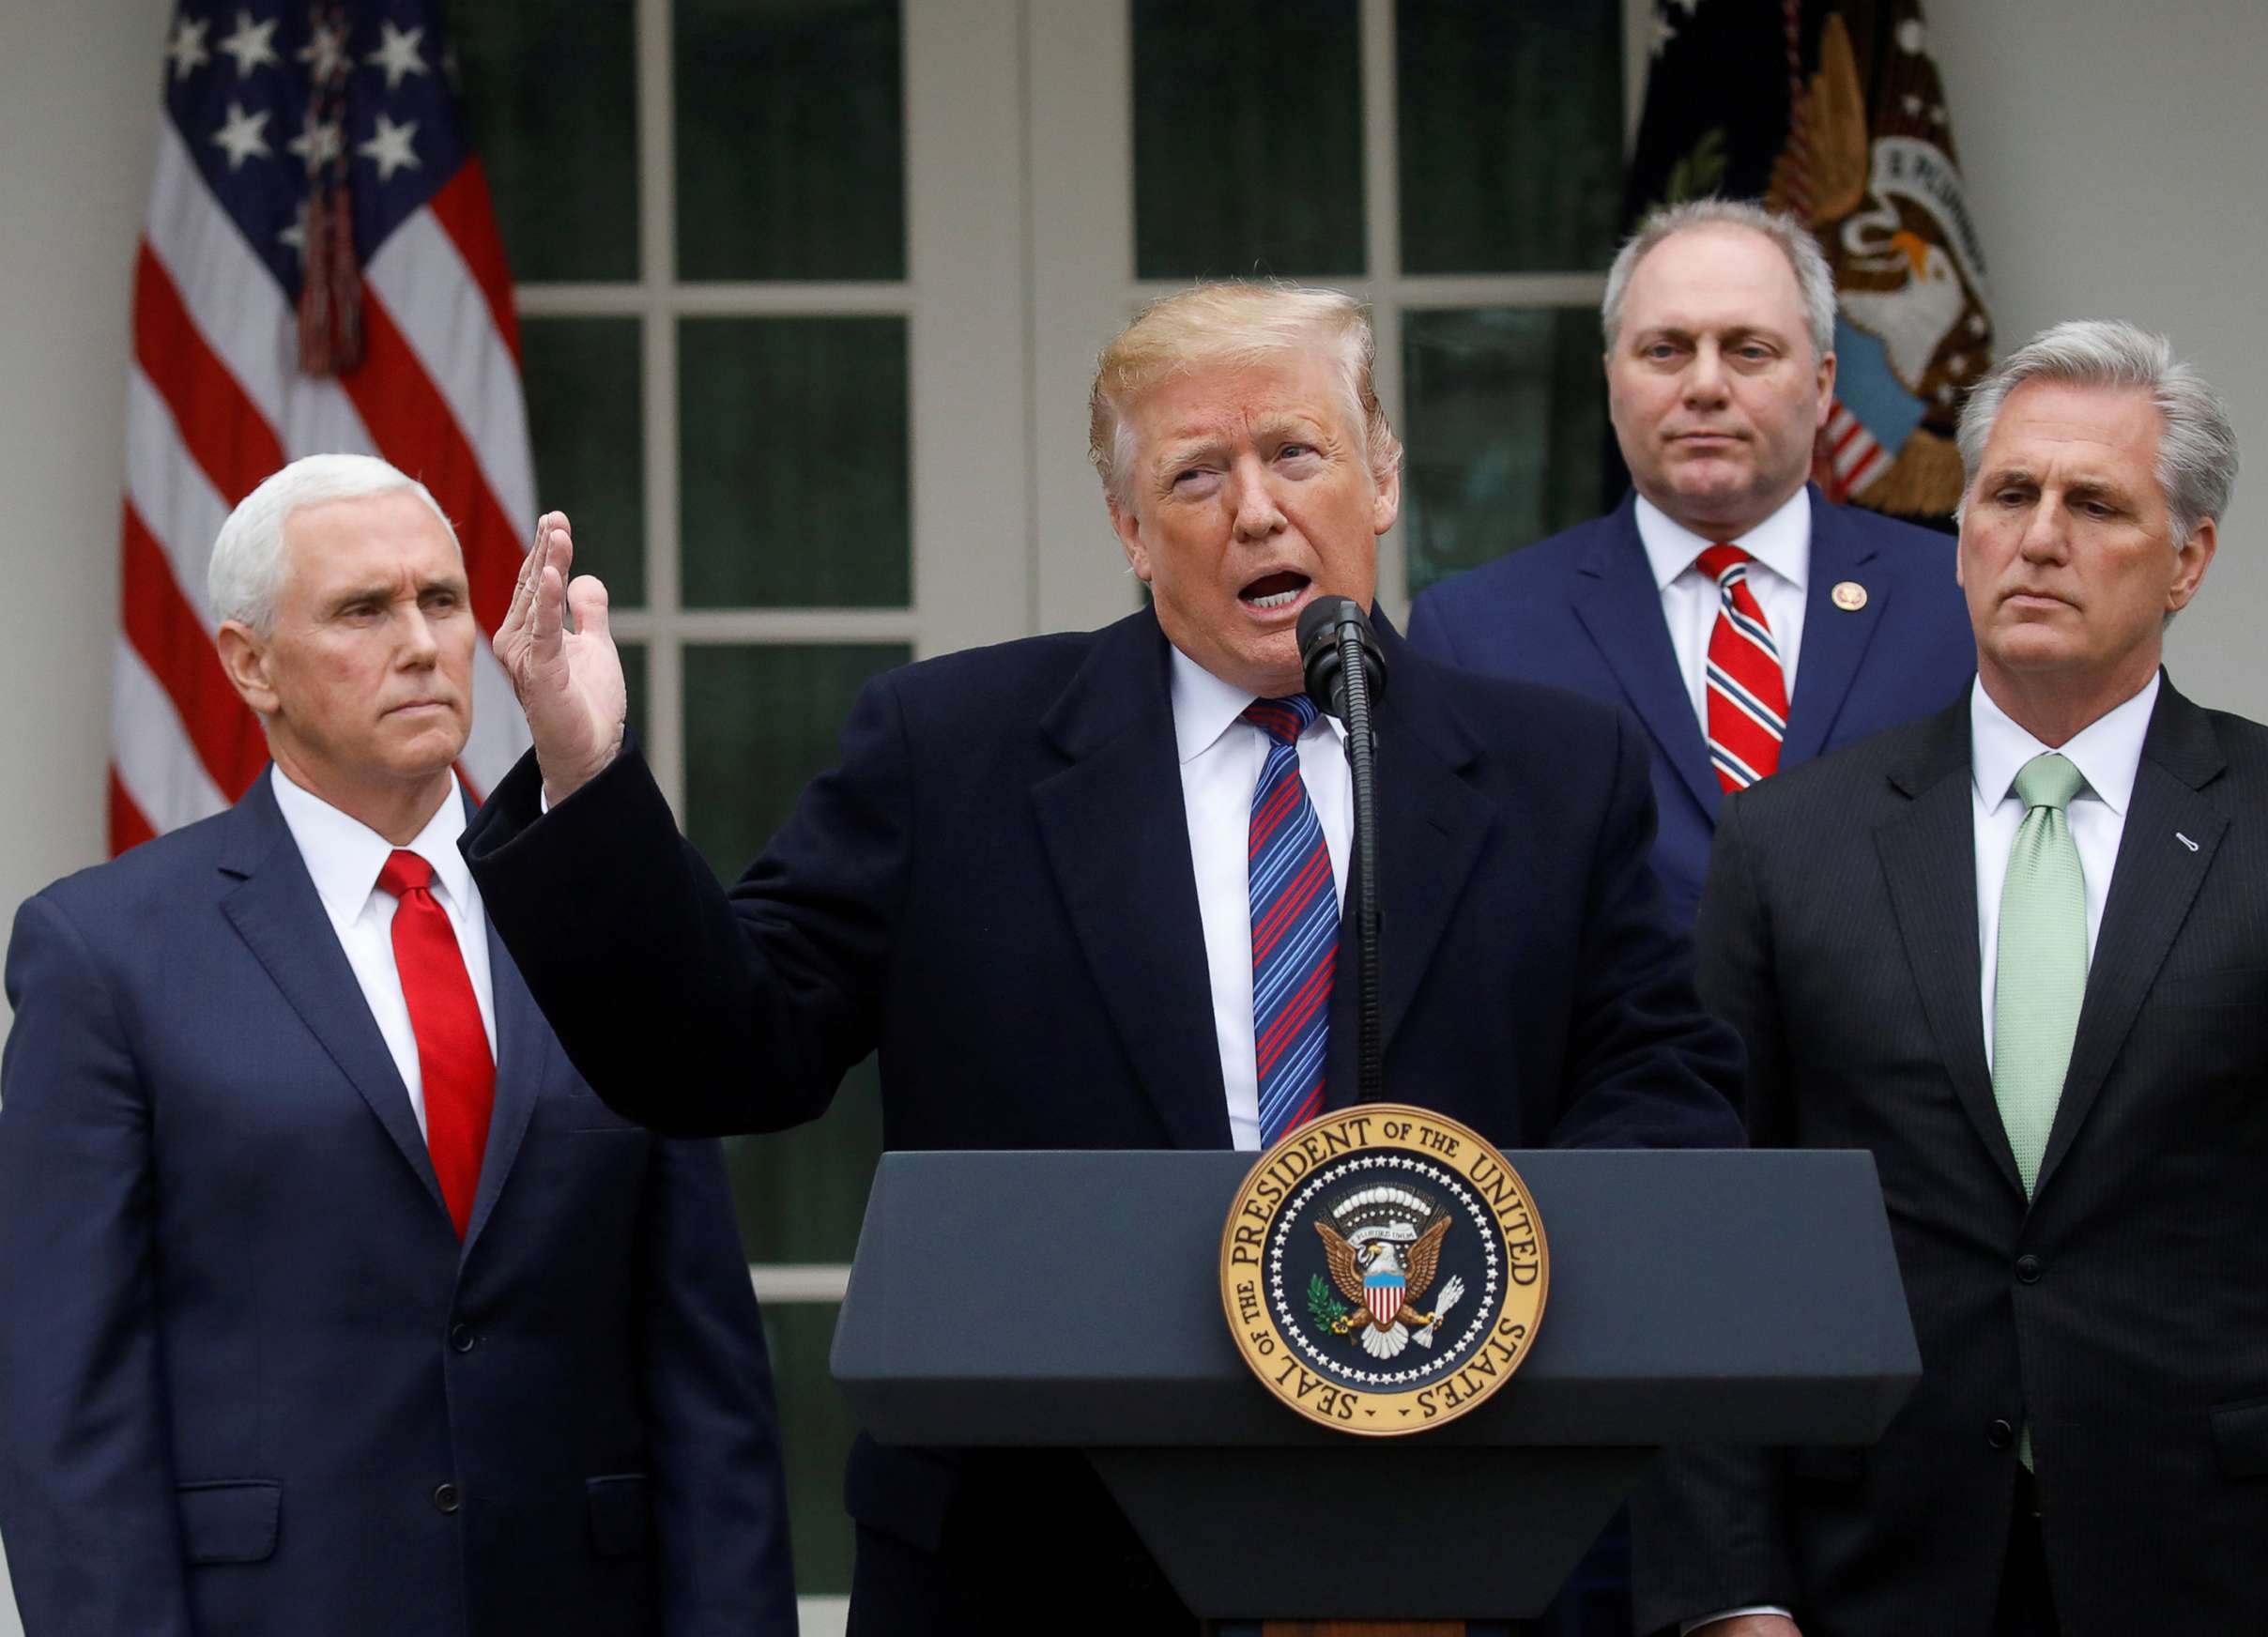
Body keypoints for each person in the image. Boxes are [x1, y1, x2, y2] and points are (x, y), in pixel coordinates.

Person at [462, 282, 1745, 1634]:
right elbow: (730, 1049)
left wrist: (1502, 1279)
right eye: (1198, 473)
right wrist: (586, 772)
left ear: (1381, 477)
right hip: (1038, 1562)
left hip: (1447, 1543)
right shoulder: (950, 750)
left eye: (1296, 453)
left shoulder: (1557, 770)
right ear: (1133, 533)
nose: (1256, 508)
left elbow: (1662, 1092)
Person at [1633, 322, 2268, 1637]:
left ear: (2190, 558)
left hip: (2228, 1568)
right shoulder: (1791, 841)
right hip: (1872, 1567)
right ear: (1961, 540)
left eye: (2096, 503)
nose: (2040, 535)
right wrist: (1733, 1591)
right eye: (2008, 495)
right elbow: (1714, 1234)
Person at [0, 455, 793, 1637]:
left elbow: (708, 1375)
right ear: (248, 663)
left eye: (441, 600)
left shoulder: (604, 911)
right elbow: (68, 1402)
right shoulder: (105, 950)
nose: (422, 643)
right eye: (363, 610)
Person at [1407, 200, 1975, 928]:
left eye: (1750, 350)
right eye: (1666, 350)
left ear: (1826, 382)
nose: (1705, 386)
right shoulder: (1477, 635)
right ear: (1612, 378)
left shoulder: (1958, 601)